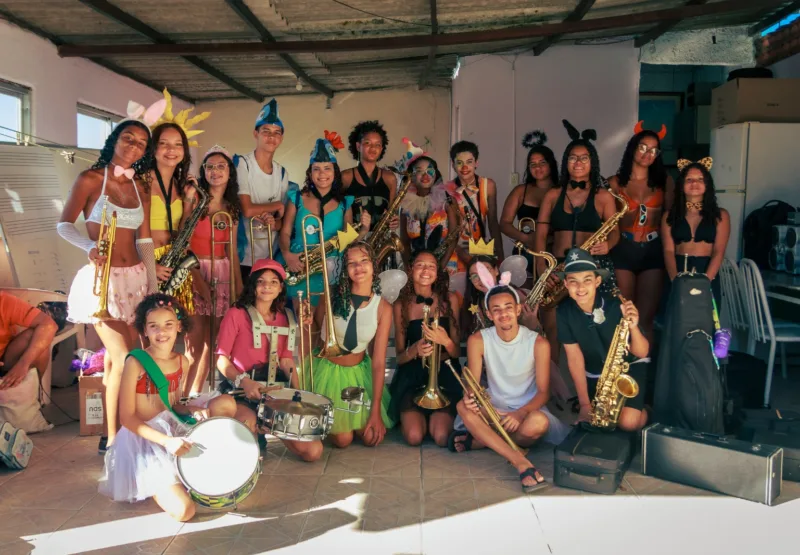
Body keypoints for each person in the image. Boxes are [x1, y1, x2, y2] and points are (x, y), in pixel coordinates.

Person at [58, 99, 164, 453]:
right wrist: (88, 246)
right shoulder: (90, 178)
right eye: (128, 139)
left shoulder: (141, 186)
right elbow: (64, 224)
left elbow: (144, 239)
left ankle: (126, 429)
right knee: (122, 356)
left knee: (135, 355)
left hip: (136, 279)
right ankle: (114, 436)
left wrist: (153, 284)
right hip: (103, 282)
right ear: (114, 140)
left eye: (141, 144)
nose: (134, 146)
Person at [98, 293, 236, 522]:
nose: (161, 332)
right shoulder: (135, 362)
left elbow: (173, 405)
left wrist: (191, 410)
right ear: (144, 330)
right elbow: (127, 419)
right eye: (154, 326)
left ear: (179, 327)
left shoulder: (182, 361)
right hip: (143, 439)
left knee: (226, 403)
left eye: (168, 325)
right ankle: (152, 478)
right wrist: (167, 442)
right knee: (184, 511)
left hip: (171, 429)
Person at [452, 263, 567, 493]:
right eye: (496, 309)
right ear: (489, 314)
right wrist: (470, 396)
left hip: (527, 410)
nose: (503, 314)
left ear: (518, 310)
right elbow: (473, 382)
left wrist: (520, 413)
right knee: (463, 407)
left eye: (508, 307)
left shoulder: (538, 343)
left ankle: (485, 440)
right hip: (494, 408)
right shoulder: (478, 340)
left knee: (539, 423)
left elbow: (543, 392)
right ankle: (521, 462)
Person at [215, 258, 323, 462]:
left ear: (281, 287)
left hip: (274, 393)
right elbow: (221, 359)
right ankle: (255, 433)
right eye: (261, 281)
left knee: (313, 452)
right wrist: (244, 381)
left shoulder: (285, 317)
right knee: (246, 441)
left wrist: (298, 395)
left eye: (273, 282)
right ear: (253, 285)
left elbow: (286, 360)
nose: (267, 286)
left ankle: (265, 428)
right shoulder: (236, 314)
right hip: (242, 392)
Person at [534, 119, 621, 364]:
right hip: (556, 268)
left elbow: (615, 232)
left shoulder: (603, 196)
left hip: (591, 267)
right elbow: (540, 235)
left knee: (591, 329)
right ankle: (552, 381)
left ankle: (590, 383)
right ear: (565, 162)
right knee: (551, 328)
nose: (578, 162)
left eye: (584, 158)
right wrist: (542, 270)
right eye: (573, 158)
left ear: (593, 162)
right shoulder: (553, 194)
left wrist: (609, 245)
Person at [302, 241, 394, 448]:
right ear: (345, 269)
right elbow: (316, 333)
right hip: (327, 373)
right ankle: (324, 419)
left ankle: (351, 414)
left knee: (370, 437)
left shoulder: (383, 308)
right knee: (343, 440)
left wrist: (375, 412)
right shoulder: (330, 295)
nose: (358, 267)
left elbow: (379, 362)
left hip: (358, 375)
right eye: (352, 263)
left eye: (364, 261)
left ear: (374, 265)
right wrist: (307, 321)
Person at [556, 248, 649, 432]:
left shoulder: (616, 304)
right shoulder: (564, 311)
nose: (580, 288)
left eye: (587, 280)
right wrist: (584, 405)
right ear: (565, 284)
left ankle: (647, 412)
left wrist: (633, 326)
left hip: (628, 368)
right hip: (596, 375)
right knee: (602, 421)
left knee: (628, 423)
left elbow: (642, 352)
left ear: (597, 281)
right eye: (573, 281)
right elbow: (574, 358)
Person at [183, 145, 244, 394]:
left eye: (221, 166)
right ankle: (182, 398)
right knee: (194, 341)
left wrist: (239, 288)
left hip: (223, 273)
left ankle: (197, 394)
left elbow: (232, 251)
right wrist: (197, 278)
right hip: (194, 269)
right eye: (209, 167)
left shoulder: (232, 207)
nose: (215, 171)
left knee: (214, 341)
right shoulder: (194, 199)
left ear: (230, 172)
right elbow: (183, 241)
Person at [279, 133, 361, 308]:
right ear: (310, 173)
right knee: (303, 319)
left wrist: (365, 228)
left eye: (327, 168)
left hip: (332, 268)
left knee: (326, 321)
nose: (322, 173)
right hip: (299, 264)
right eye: (316, 168)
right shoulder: (297, 199)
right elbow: (285, 232)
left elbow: (347, 240)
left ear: (335, 172)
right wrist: (287, 255)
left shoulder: (345, 204)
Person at [390, 246, 462, 447]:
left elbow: (457, 351)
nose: (425, 270)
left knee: (441, 437)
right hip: (413, 376)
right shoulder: (401, 305)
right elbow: (399, 358)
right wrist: (414, 350)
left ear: (437, 272)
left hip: (444, 375)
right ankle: (416, 417)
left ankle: (433, 418)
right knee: (414, 437)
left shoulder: (450, 300)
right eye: (420, 265)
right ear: (411, 269)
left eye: (431, 266)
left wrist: (445, 341)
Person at [609, 123, 673, 340]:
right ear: (633, 148)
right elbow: (606, 220)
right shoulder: (615, 183)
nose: (648, 154)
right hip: (623, 248)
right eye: (643, 147)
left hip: (653, 249)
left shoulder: (664, 182)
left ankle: (643, 360)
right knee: (623, 314)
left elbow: (672, 220)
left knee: (646, 317)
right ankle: (621, 359)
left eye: (654, 150)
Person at [662, 158, 729, 308]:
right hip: (678, 270)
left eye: (700, 179)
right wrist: (675, 281)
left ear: (707, 184)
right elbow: (668, 251)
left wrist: (706, 282)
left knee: (705, 318)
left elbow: (719, 251)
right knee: (677, 317)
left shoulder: (721, 215)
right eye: (689, 179)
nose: (694, 183)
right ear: (681, 184)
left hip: (707, 272)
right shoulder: (669, 216)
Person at [237, 99, 290, 279]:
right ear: (256, 134)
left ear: (281, 138)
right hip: (243, 255)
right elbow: (247, 209)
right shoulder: (243, 164)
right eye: (266, 131)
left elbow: (282, 222)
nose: (271, 137)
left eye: (276, 133)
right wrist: (276, 205)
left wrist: (274, 223)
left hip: (271, 257)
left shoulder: (282, 173)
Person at [500, 130, 558, 280]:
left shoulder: (562, 191)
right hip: (525, 252)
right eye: (533, 164)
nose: (537, 168)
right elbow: (504, 223)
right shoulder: (521, 191)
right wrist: (526, 239)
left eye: (542, 163)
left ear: (551, 164)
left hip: (553, 251)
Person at [397, 138, 460, 274]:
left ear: (436, 174)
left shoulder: (447, 201)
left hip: (445, 268)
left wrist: (439, 268)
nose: (425, 175)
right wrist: (410, 269)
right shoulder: (406, 205)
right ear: (412, 177)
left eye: (430, 170)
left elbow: (453, 238)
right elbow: (404, 242)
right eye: (419, 171)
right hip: (417, 269)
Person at [446, 140, 504, 264]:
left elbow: (493, 222)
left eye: (469, 162)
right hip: (454, 250)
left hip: (479, 249)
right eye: (459, 163)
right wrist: (458, 251)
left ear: (476, 163)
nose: (464, 167)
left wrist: (500, 256)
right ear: (453, 164)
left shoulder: (488, 185)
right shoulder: (447, 189)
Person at [342, 121, 399, 236]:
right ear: (358, 146)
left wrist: (394, 221)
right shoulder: (345, 177)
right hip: (353, 241)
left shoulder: (390, 178)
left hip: (381, 240)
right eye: (367, 143)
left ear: (381, 148)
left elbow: (391, 212)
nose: (373, 148)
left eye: (378, 144)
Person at [0, 292, 58, 391]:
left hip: (4, 360)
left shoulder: (4, 300)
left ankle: (36, 394)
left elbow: (49, 325)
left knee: (36, 339)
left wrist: (23, 365)